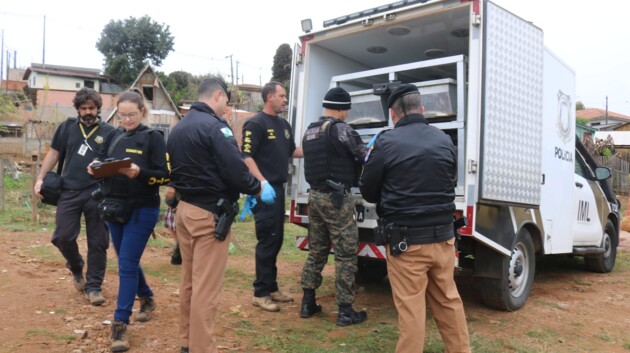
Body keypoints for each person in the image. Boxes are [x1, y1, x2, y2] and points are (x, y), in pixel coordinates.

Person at [359, 84, 471, 353]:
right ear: (422, 109)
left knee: (411, 309)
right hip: (444, 240)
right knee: (448, 301)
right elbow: (450, 180)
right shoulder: (444, 140)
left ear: (392, 114)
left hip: (406, 244)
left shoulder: (386, 143)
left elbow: (368, 191)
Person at [167, 78, 272, 353]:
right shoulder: (215, 128)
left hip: (185, 211)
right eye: (226, 100)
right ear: (217, 96)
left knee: (189, 281)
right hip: (208, 215)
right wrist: (257, 188)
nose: (227, 107)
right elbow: (235, 169)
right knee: (206, 288)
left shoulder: (178, 128)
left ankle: (188, 342)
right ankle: (203, 348)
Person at [87, 88, 170, 352]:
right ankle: (146, 297)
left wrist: (139, 173)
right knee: (127, 259)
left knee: (126, 264)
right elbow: (100, 160)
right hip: (114, 208)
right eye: (121, 115)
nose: (126, 120)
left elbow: (165, 175)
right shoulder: (113, 136)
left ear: (142, 111)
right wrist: (94, 168)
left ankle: (120, 324)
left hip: (142, 208)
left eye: (131, 115)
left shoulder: (153, 137)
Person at [34, 87, 114, 306]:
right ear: (78, 109)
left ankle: (94, 287)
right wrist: (41, 178)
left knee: (98, 242)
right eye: (83, 108)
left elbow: (114, 163)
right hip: (68, 190)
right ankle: (77, 267)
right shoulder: (67, 127)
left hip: (97, 193)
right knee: (62, 236)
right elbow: (54, 153)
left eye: (92, 108)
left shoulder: (110, 132)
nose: (88, 112)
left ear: (99, 108)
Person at [299, 87, 368, 326]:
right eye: (346, 109)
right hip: (337, 199)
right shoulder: (342, 130)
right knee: (345, 255)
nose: (347, 113)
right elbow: (365, 156)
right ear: (340, 108)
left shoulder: (310, 131)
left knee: (317, 250)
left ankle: (308, 303)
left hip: (315, 197)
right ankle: (346, 311)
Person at [241, 81, 303, 312]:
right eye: (282, 95)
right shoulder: (255, 124)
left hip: (278, 189)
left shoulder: (283, 124)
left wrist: (317, 147)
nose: (285, 100)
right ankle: (260, 293)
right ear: (269, 97)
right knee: (267, 239)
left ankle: (272, 287)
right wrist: (262, 183)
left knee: (276, 239)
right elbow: (246, 156)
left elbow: (291, 151)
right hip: (264, 191)